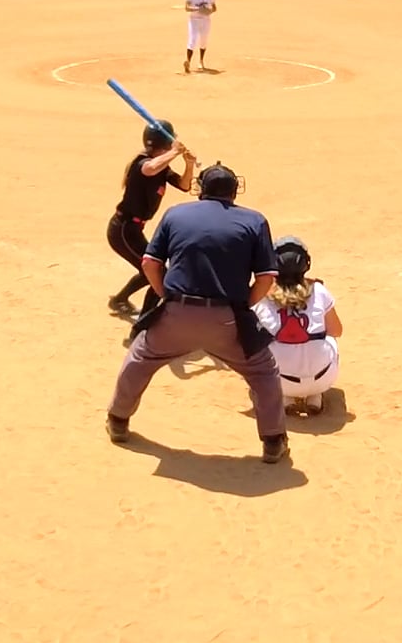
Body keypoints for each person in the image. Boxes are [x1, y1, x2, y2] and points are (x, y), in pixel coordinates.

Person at [106, 162, 290, 464]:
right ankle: (273, 441)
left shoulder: (176, 214)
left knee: (140, 357)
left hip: (177, 314)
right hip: (227, 319)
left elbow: (150, 264)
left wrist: (166, 295)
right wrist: (244, 305)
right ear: (234, 191)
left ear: (201, 190)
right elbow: (266, 278)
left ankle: (118, 420)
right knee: (263, 371)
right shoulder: (254, 220)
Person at [107, 121, 196, 317]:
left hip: (133, 230)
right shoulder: (143, 162)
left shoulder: (161, 166)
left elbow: (184, 185)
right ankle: (142, 315)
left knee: (153, 269)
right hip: (123, 230)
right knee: (155, 271)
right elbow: (149, 169)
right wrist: (174, 152)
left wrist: (188, 165)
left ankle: (121, 300)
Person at [252, 236, 344, 414]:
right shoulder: (319, 291)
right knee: (329, 338)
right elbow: (337, 331)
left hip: (278, 381)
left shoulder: (262, 296)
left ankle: (286, 398)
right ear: (306, 264)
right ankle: (315, 396)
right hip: (323, 380)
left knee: (263, 344)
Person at [183, 0, 217, 74]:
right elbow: (187, 8)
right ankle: (188, 62)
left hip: (205, 20)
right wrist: (198, 9)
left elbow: (214, 8)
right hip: (193, 20)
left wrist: (208, 11)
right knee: (192, 40)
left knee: (203, 41)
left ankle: (201, 61)